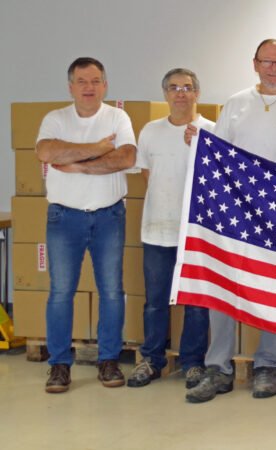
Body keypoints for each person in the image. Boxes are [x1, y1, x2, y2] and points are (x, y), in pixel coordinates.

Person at [186, 39, 276, 403]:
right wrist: (200, 141)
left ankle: (267, 365)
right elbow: (217, 152)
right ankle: (218, 368)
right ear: (255, 64)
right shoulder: (236, 104)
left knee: (273, 288)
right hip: (234, 212)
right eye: (267, 62)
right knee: (224, 284)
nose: (274, 68)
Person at [36, 57, 137, 393]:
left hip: (109, 216)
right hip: (65, 218)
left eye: (95, 81)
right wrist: (96, 150)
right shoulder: (55, 118)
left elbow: (126, 158)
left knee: (112, 291)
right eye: (82, 81)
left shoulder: (118, 117)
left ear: (105, 85)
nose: (89, 88)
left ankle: (108, 360)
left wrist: (77, 164)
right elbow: (46, 152)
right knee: (61, 293)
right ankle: (59, 365)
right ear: (71, 86)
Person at [127, 68, 214, 389]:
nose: (181, 93)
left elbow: (217, 181)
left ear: (197, 94)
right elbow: (147, 175)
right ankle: (151, 359)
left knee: (195, 302)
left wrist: (202, 146)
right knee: (155, 300)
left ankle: (193, 363)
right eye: (174, 88)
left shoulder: (211, 131)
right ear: (165, 94)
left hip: (195, 234)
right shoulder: (150, 131)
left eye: (187, 87)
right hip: (157, 231)